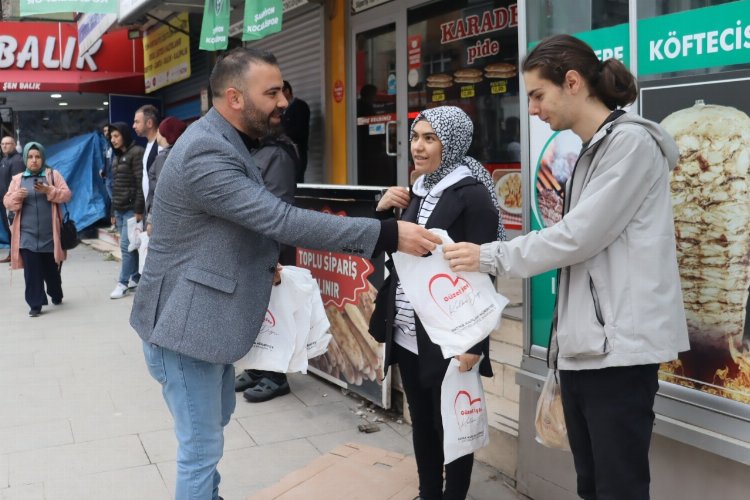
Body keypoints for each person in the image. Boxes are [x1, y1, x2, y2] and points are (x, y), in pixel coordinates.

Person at [128, 47, 440, 500]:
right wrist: (388, 234)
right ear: (235, 97)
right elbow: (280, 219)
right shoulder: (206, 150)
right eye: (271, 92)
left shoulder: (227, 140)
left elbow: (230, 225)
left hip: (202, 323)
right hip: (183, 327)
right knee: (200, 449)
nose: (283, 102)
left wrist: (261, 262)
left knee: (211, 429)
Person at [444, 34, 690, 500]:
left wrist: (490, 254)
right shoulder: (591, 149)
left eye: (538, 94)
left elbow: (577, 237)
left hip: (619, 352)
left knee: (619, 487)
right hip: (587, 349)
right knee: (591, 486)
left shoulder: (630, 145)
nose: (532, 109)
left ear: (572, 82)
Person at [369, 106, 503, 500]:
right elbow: (392, 250)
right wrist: (382, 210)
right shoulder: (417, 191)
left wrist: (475, 344)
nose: (419, 147)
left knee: (452, 423)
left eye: (430, 138)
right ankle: (429, 492)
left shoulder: (473, 196)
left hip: (449, 335)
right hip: (409, 330)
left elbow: (484, 272)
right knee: (422, 421)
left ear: (453, 143)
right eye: (415, 137)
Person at [234, 132, 300, 402]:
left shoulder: (277, 154)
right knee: (256, 314)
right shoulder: (250, 150)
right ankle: (258, 367)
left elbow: (278, 209)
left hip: (273, 251)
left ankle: (276, 376)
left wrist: (273, 257)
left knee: (276, 314)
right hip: (251, 247)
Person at [3, 142, 72, 317]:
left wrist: (50, 190)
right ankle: (35, 304)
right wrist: (15, 197)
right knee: (32, 272)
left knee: (51, 271)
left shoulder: (52, 175)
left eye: (37, 157)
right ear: (25, 158)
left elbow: (66, 195)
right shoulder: (17, 179)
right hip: (27, 234)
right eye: (30, 157)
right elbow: (7, 203)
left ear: (42, 158)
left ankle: (56, 293)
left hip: (50, 235)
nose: (34, 160)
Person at [108, 122, 145, 300]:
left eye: (116, 136)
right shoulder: (116, 157)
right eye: (111, 137)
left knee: (126, 246)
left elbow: (140, 182)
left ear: (124, 135)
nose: (113, 140)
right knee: (132, 246)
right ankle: (136, 278)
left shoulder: (136, 152)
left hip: (132, 209)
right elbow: (115, 186)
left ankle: (122, 283)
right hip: (120, 209)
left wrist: (139, 209)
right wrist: (112, 211)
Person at [145, 116, 188, 234]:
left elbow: (161, 191)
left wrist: (151, 219)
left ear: (165, 134)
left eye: (159, 130)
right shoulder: (181, 154)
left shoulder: (163, 157)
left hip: (164, 217)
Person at [1, 136, 25, 262]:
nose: (5, 146)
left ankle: (19, 256)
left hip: (12, 202)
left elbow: (18, 182)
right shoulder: (5, 160)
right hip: (4, 202)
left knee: (15, 228)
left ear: (14, 145)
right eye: (2, 144)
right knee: (8, 228)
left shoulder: (17, 161)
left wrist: (14, 200)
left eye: (8, 144)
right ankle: (12, 254)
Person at [281, 80, 310, 182]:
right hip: (285, 152)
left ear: (287, 91)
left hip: (297, 151)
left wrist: (282, 135)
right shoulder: (283, 110)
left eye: (280, 93)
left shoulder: (300, 107)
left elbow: (300, 131)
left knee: (296, 182)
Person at [133, 104, 161, 202]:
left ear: (149, 123)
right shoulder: (149, 144)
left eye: (137, 122)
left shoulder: (160, 146)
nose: (133, 126)